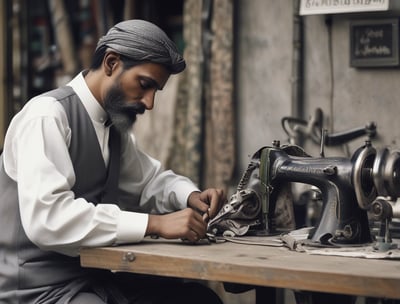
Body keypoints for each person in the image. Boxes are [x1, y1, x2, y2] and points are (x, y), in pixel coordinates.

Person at [0, 19, 226, 304]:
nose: (149, 103)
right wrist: (154, 224)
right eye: (145, 85)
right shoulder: (46, 116)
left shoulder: (112, 126)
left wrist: (190, 195)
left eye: (155, 91)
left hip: (91, 279)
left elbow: (148, 182)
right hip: (37, 292)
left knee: (198, 299)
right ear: (111, 63)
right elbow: (49, 219)